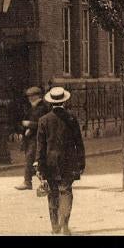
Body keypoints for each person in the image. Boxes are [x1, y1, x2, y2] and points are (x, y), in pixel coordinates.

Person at [36, 86, 85, 235]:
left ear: (51, 103)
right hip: (69, 161)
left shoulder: (43, 120)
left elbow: (41, 146)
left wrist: (39, 165)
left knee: (53, 193)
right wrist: (81, 162)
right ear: (64, 101)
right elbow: (79, 143)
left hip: (50, 162)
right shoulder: (71, 118)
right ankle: (64, 224)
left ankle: (54, 226)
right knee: (66, 191)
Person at [15, 86, 50, 190]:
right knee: (34, 160)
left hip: (37, 138)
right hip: (30, 138)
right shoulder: (31, 107)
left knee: (31, 159)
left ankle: (28, 182)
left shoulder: (42, 108)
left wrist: (30, 124)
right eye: (29, 96)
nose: (29, 98)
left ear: (37, 96)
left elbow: (43, 123)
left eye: (32, 96)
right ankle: (43, 182)